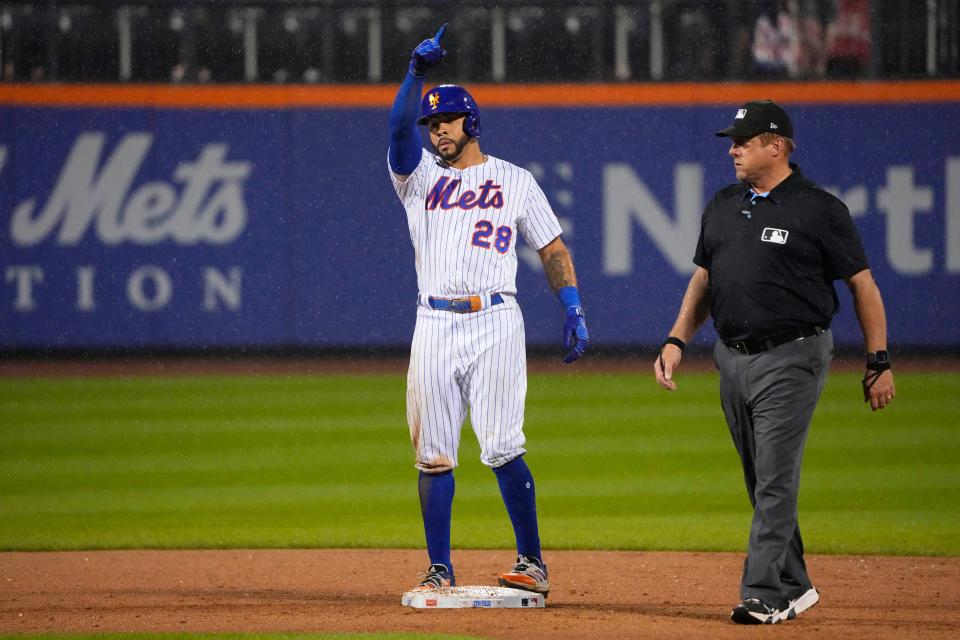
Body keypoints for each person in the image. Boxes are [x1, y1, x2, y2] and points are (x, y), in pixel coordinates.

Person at [654, 100, 895, 625]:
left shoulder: (818, 209)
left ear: (777, 145)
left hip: (793, 354)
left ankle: (764, 592)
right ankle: (796, 583)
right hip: (731, 357)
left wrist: (878, 361)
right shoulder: (722, 205)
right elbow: (704, 281)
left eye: (744, 140)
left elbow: (863, 286)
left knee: (775, 479)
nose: (733, 149)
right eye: (732, 141)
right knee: (759, 475)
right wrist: (677, 338)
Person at [387, 24, 589, 597]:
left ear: (469, 121)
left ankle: (532, 562)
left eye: (446, 120)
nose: (436, 131)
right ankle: (438, 566)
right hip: (434, 321)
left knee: (503, 444)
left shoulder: (515, 180)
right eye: (432, 124)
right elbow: (397, 131)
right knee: (432, 453)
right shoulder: (418, 179)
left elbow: (551, 247)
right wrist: (414, 76)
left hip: (497, 318)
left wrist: (572, 307)